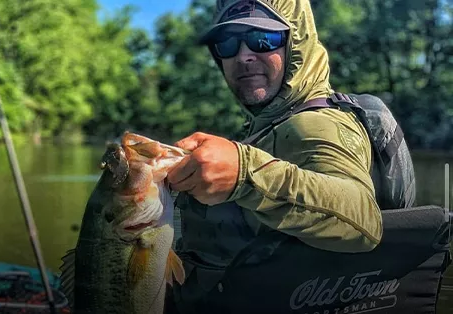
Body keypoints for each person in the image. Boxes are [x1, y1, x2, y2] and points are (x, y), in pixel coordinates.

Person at [165, 0, 387, 312]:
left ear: (296, 45)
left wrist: (245, 173)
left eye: (262, 39)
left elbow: (364, 220)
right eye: (227, 43)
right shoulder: (268, 129)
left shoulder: (317, 126)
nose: (243, 56)